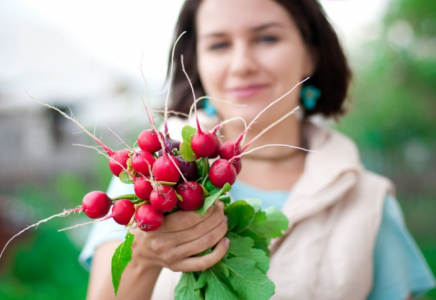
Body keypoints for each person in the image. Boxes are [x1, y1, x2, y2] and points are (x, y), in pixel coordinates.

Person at [79, 0, 436, 299]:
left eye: (266, 38)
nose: (242, 64)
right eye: (219, 44)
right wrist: (143, 258)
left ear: (310, 55)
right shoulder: (150, 170)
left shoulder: (368, 199)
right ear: (198, 62)